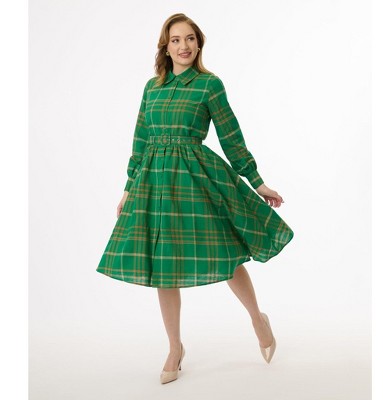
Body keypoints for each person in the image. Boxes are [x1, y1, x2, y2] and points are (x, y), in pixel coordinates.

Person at [97, 13, 294, 384]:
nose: (183, 46)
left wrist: (257, 181)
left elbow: (231, 136)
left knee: (226, 254)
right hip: (155, 183)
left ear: (199, 43)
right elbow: (141, 138)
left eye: (189, 38)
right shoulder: (152, 88)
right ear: (166, 46)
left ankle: (257, 319)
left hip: (195, 179)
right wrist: (128, 187)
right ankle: (175, 347)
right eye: (175, 40)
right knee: (163, 264)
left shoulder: (209, 85)